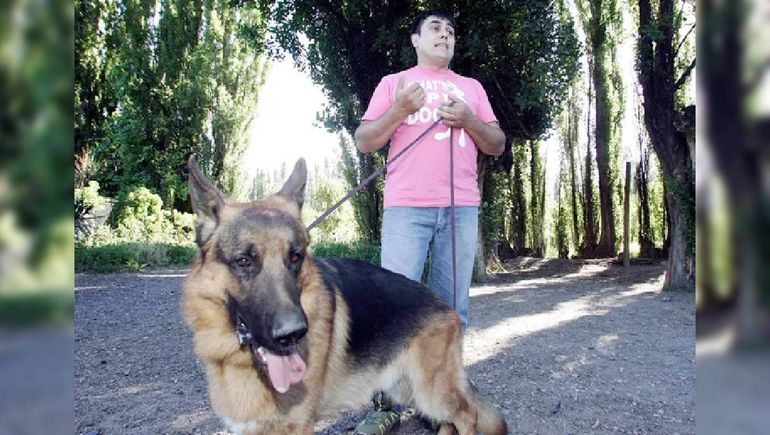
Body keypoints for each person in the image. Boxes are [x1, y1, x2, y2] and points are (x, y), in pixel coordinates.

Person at [352, 8, 505, 435]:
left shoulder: (472, 88)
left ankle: (440, 401)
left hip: (460, 209)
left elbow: (496, 143)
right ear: (415, 40)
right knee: (393, 310)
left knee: (452, 312)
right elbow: (365, 140)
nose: (445, 35)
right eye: (435, 28)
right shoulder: (394, 83)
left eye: (450, 30)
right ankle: (384, 404)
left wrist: (469, 120)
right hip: (407, 208)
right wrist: (400, 109)